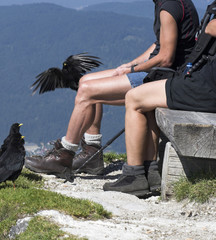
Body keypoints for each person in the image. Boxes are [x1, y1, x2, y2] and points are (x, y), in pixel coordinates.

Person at [25, 0, 199, 181]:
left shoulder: (169, 7)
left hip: (163, 77)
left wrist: (133, 70)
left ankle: (64, 154)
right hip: (157, 71)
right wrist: (130, 64)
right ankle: (91, 153)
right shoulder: (167, 3)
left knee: (86, 91)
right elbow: (158, 46)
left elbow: (166, 58)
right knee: (86, 80)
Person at [103, 6, 216, 196]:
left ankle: (134, 175)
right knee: (153, 100)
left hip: (209, 89)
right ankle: (151, 172)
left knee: (134, 98)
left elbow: (212, 28)